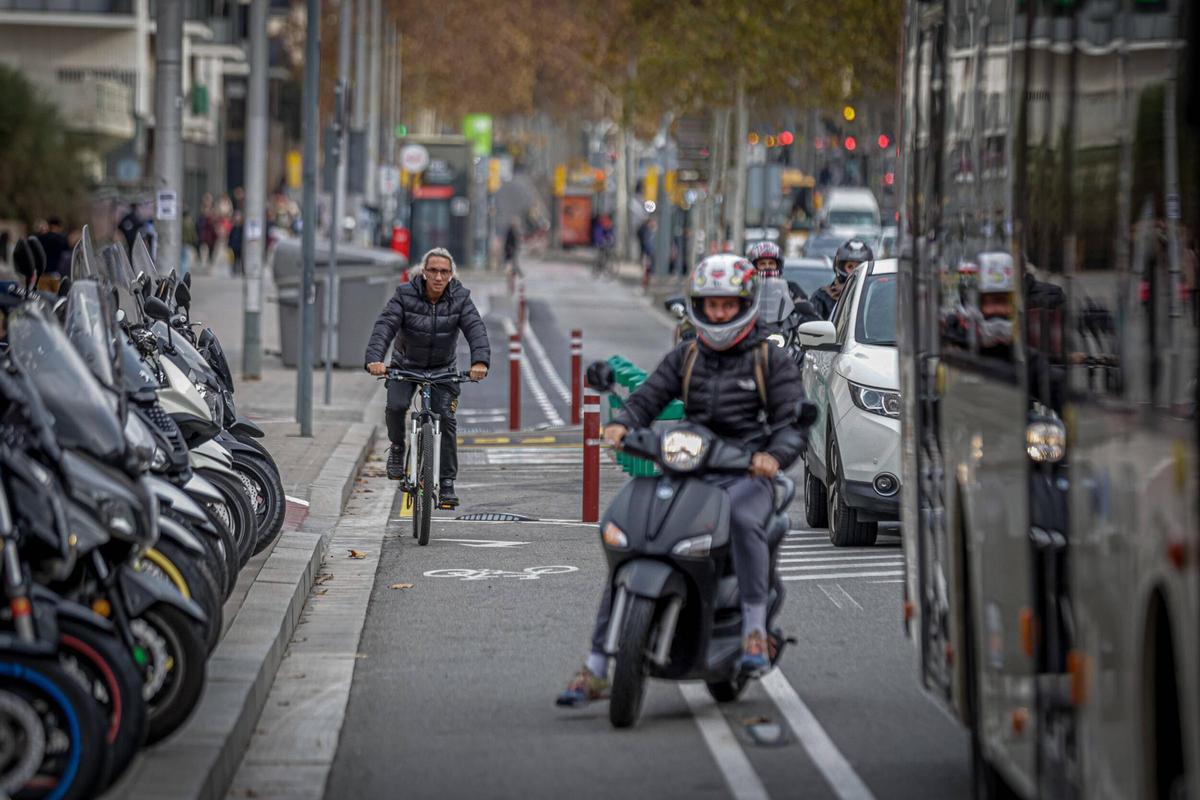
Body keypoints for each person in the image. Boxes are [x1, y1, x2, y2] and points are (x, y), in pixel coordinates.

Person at [557, 254, 807, 707]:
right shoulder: (687, 355)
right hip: (691, 463)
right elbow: (648, 397)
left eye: (728, 305)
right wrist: (622, 424)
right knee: (633, 534)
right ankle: (596, 664)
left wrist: (773, 456)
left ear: (746, 304)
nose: (717, 314)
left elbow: (792, 422)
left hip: (745, 470)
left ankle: (752, 631)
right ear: (697, 305)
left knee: (745, 520)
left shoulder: (771, 359)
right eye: (709, 305)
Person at [364, 248, 491, 509]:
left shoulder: (460, 298)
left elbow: (475, 327)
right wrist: (375, 358)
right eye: (433, 270)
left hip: (443, 369)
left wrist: (480, 361)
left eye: (444, 272)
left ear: (451, 275)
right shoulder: (404, 294)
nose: (438, 276)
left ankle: (446, 485)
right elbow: (385, 325)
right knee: (396, 406)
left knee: (445, 419)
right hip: (406, 366)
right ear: (423, 273)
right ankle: (398, 449)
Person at [810, 238, 873, 318]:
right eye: (850, 267)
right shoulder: (822, 298)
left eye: (860, 266)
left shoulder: (874, 297)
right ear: (841, 268)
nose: (856, 271)